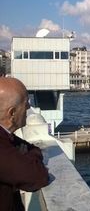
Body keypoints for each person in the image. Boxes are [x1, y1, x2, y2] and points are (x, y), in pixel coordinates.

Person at [0, 78, 50, 211]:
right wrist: (25, 158)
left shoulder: (5, 136)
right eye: (26, 102)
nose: (28, 107)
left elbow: (33, 149)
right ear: (12, 113)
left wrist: (24, 157)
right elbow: (37, 177)